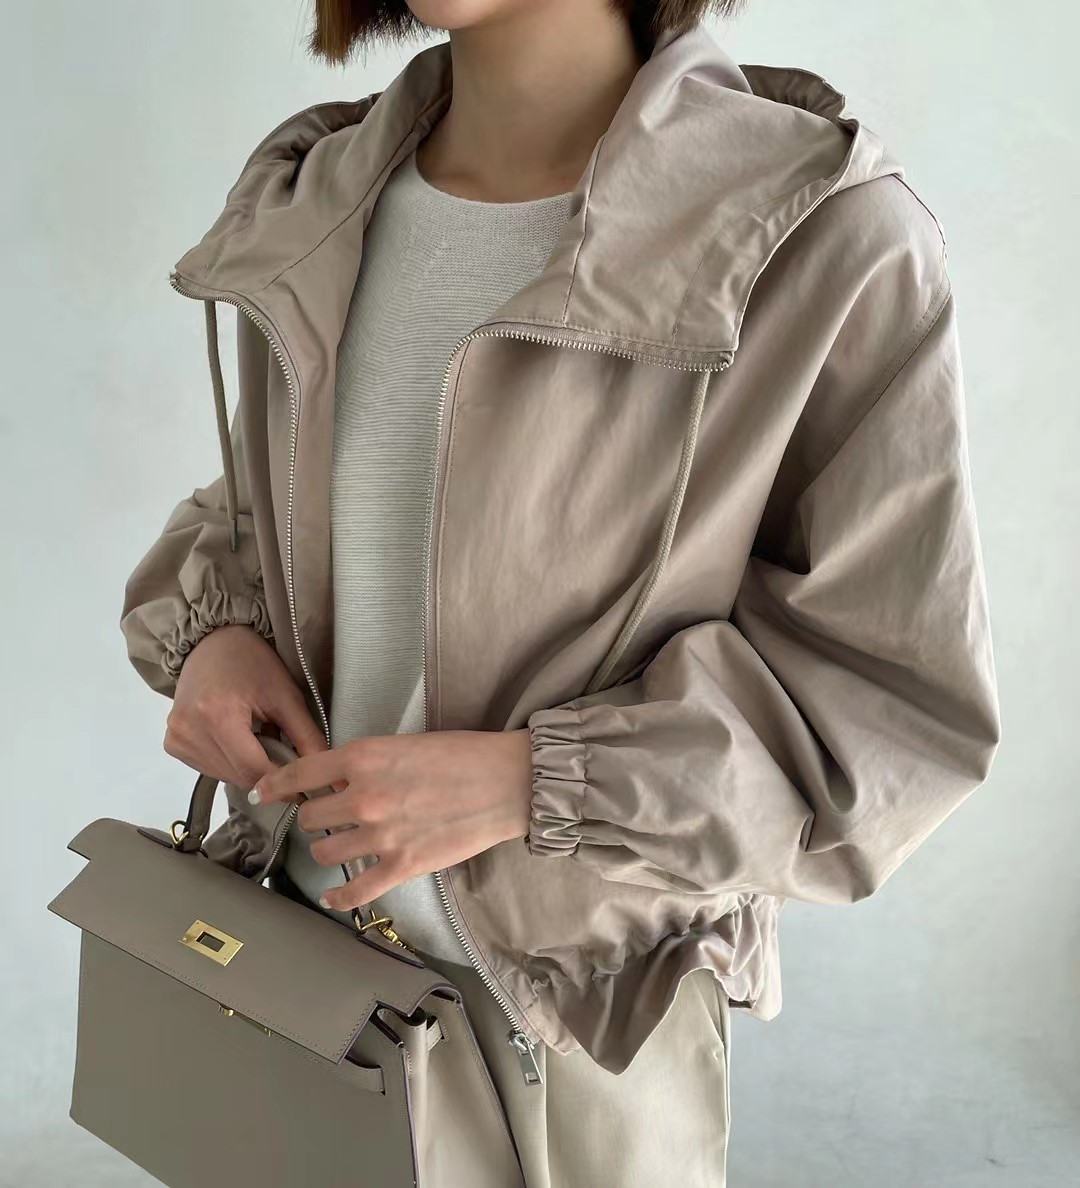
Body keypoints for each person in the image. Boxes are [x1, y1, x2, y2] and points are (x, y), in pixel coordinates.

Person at [119, 1, 1002, 1184]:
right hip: (302, 989)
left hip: (579, 1034)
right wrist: (215, 637)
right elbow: (273, 514)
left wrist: (533, 781)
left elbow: (889, 717)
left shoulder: (817, 235)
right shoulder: (322, 196)